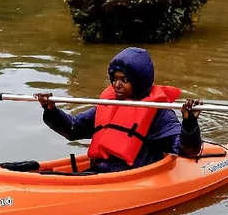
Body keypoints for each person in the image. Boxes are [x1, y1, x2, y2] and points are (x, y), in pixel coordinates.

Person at [35, 47, 202, 173]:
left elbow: (188, 150)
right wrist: (51, 110)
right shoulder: (110, 104)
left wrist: (189, 122)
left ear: (139, 81)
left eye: (124, 80)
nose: (116, 85)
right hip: (100, 172)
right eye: (114, 79)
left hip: (132, 176)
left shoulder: (158, 112)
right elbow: (73, 129)